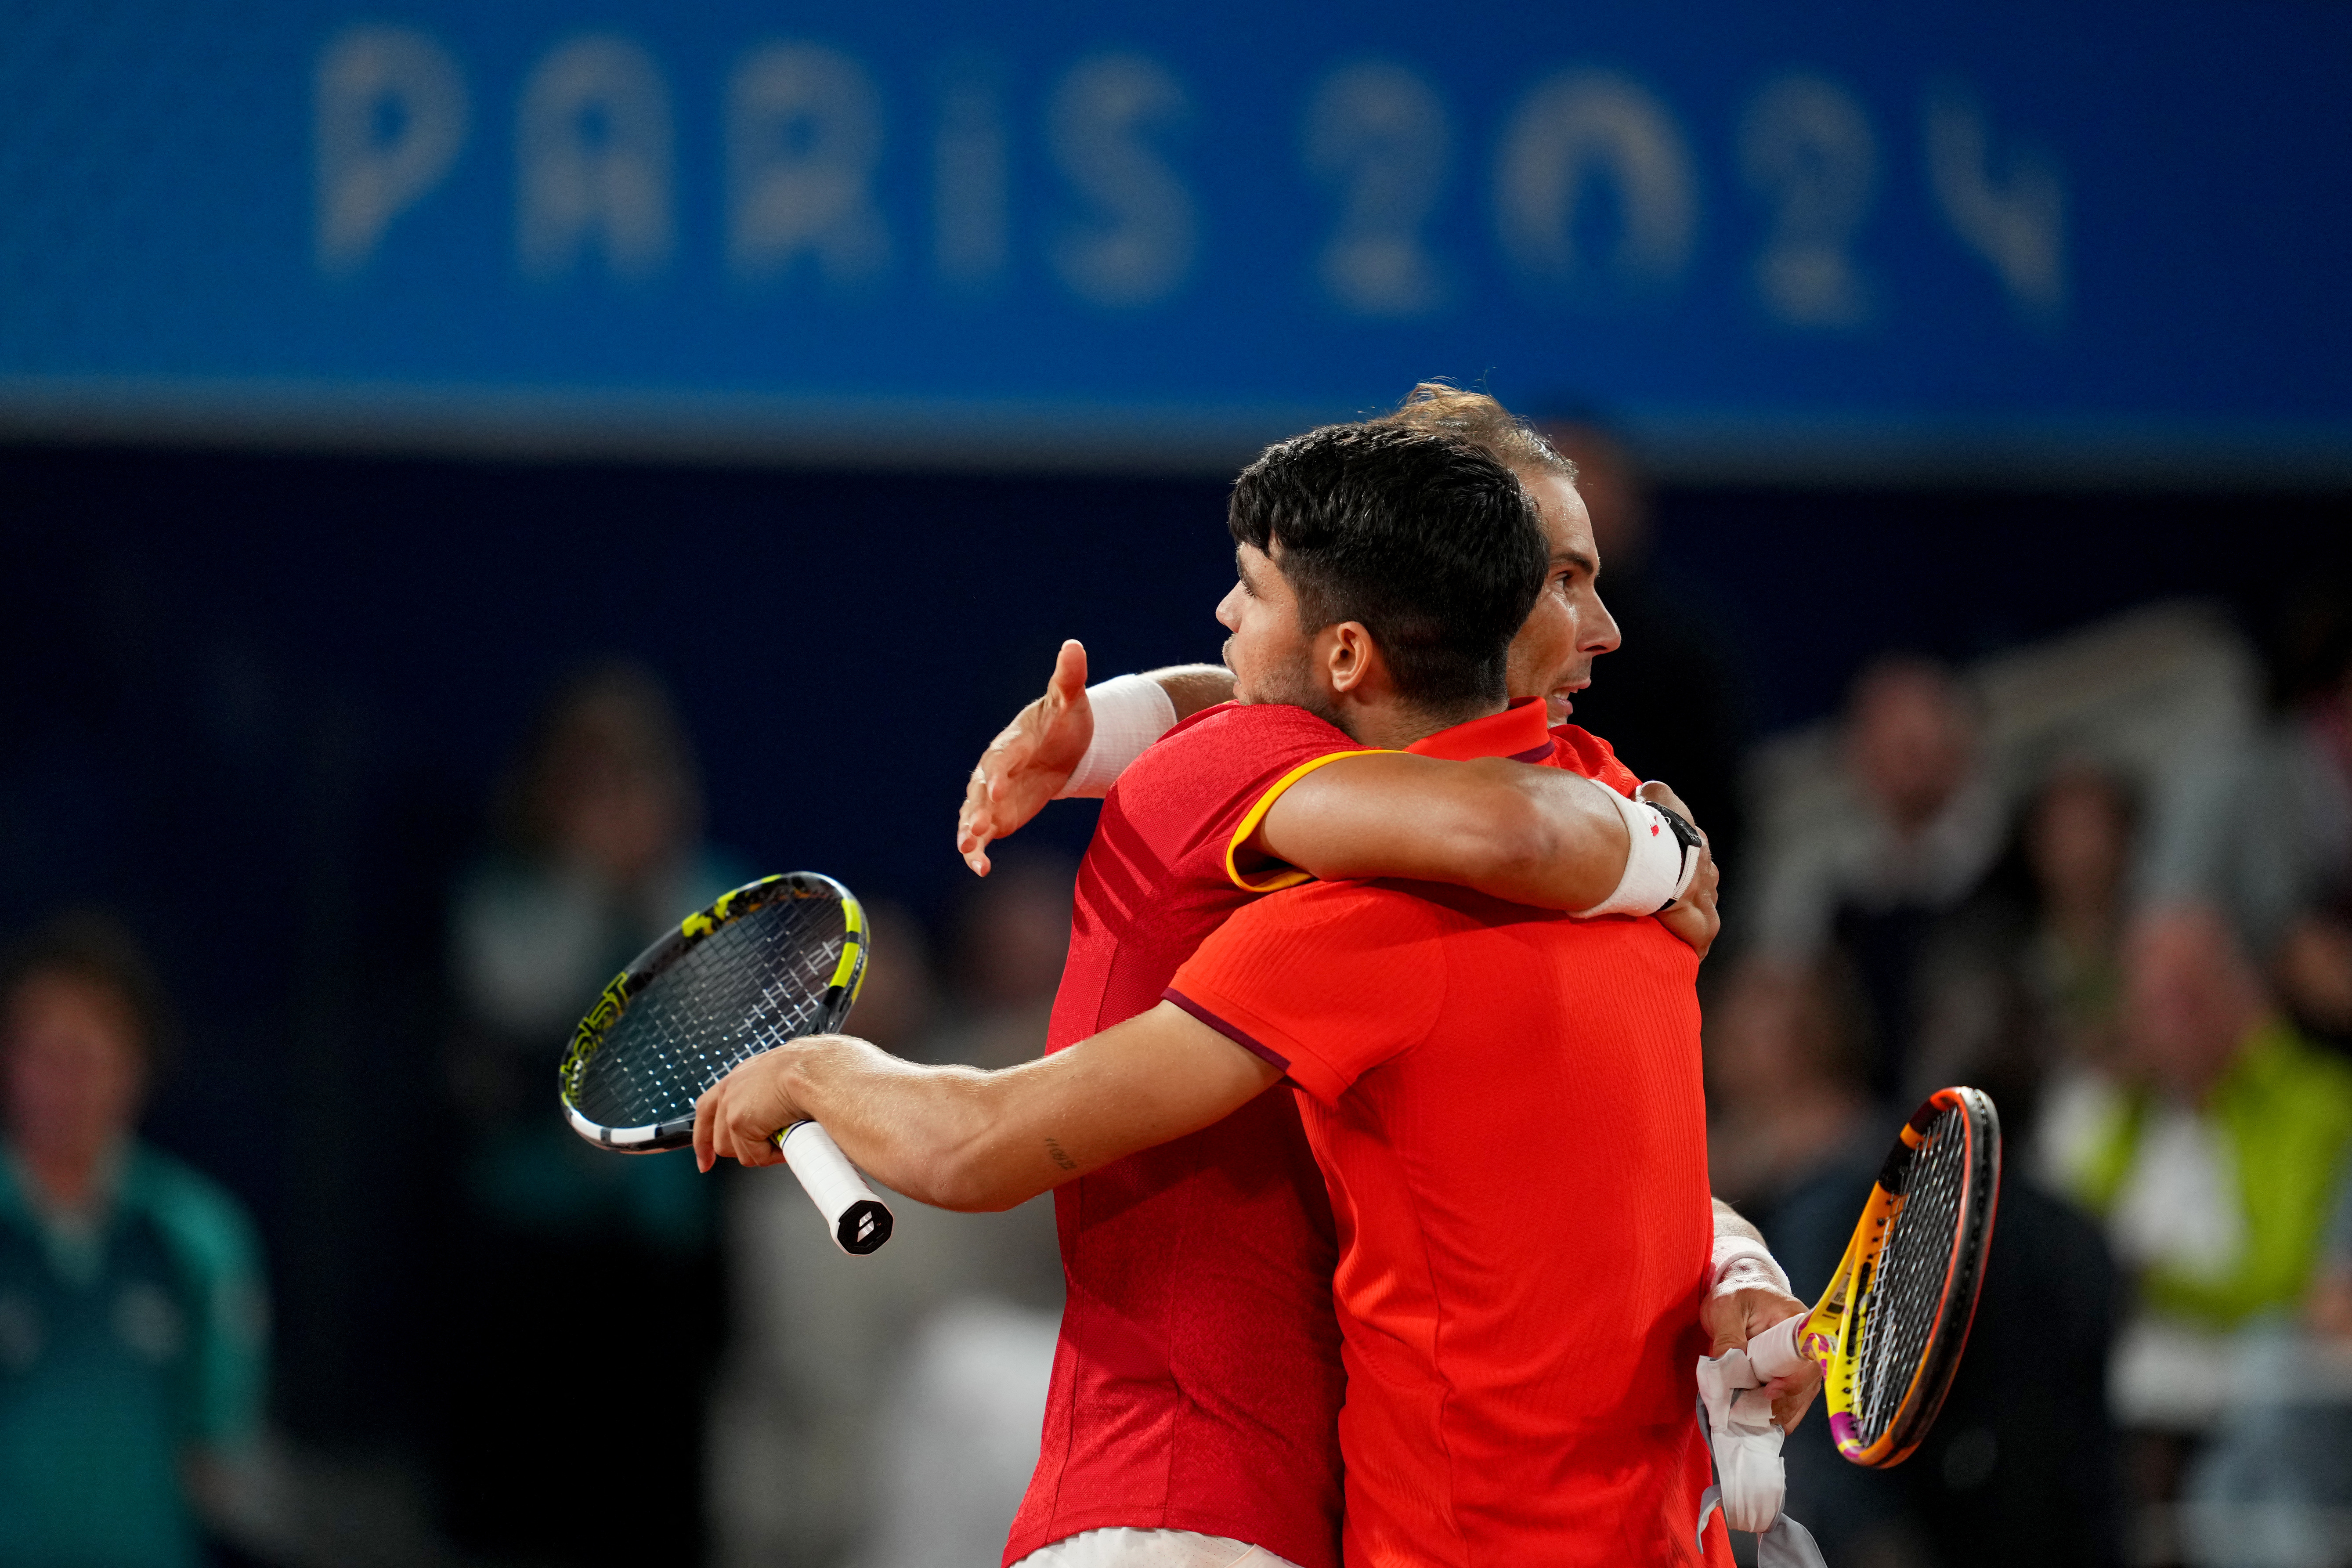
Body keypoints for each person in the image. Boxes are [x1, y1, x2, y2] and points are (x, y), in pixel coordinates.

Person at [703, 422, 1811, 1567]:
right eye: (1559, 577)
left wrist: (814, 1067)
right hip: (1353, 1516)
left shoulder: (1371, 911)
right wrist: (1661, 856)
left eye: (1248, 589)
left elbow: (981, 1144)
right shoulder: (1611, 832)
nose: (1600, 625)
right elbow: (1486, 814)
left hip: (1206, 1514)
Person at [440, 661, 749, 1561]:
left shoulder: (719, 890)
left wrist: (648, 890)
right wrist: (589, 881)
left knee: (653, 1505)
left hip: (666, 1251)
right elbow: (519, 1005)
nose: (611, 796)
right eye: (585, 774)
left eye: (632, 772)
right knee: (527, 1506)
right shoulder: (501, 898)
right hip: (531, 1245)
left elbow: (727, 1025)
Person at [0, 910, 268, 1568]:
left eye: (90, 1054)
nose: (67, 1082)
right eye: (44, 1053)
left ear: (136, 1066)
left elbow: (219, 1441)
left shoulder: (198, 1233)